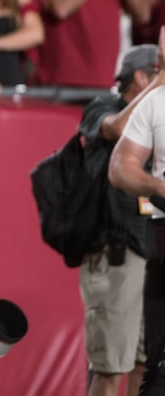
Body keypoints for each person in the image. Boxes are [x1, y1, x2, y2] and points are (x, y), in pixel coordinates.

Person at [79, 42, 165, 396]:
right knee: (111, 365)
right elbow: (114, 129)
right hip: (116, 255)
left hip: (150, 249)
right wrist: (159, 88)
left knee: (147, 362)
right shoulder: (103, 106)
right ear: (144, 76)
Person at [108, 41, 165, 396]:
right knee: (157, 366)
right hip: (154, 238)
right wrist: (160, 185)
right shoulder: (156, 103)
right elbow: (120, 167)